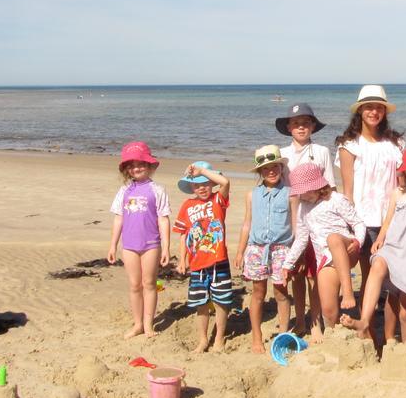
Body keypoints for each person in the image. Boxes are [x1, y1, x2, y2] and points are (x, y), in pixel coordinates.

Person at [342, 147, 406, 344]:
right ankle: (365, 321)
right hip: (396, 247)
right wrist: (381, 238)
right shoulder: (398, 194)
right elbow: (388, 221)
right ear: (404, 173)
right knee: (378, 264)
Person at [336, 85, 404, 292]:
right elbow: (348, 189)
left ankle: (381, 306)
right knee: (368, 271)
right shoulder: (349, 144)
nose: (374, 112)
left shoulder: (396, 143)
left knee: (391, 269)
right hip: (363, 218)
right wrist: (351, 222)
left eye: (379, 108)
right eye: (369, 107)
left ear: (384, 112)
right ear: (360, 110)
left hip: (391, 217)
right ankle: (368, 315)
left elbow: (402, 184)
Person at [282, 163, 365, 329]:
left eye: (303, 191)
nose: (301, 196)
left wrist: (358, 242)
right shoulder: (302, 208)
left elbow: (358, 223)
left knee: (333, 239)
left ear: (317, 186)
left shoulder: (336, 199)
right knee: (328, 308)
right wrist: (287, 264)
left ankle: (348, 293)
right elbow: (301, 239)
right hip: (326, 260)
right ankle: (334, 332)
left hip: (346, 247)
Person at [277, 102, 334, 341]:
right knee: (296, 272)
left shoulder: (321, 151)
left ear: (312, 126)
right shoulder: (282, 154)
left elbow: (330, 186)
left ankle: (315, 321)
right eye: (296, 123)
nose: (301, 128)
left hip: (317, 218)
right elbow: (277, 186)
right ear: (289, 127)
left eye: (306, 123)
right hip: (291, 218)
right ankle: (299, 320)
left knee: (314, 272)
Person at [108, 140, 171, 339]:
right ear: (127, 169)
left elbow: (163, 219)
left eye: (141, 163)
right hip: (129, 246)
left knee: (149, 283)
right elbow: (119, 218)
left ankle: (148, 324)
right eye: (132, 165)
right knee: (135, 285)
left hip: (151, 245)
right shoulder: (124, 191)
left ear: (150, 165)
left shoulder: (157, 190)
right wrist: (112, 245)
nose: (137, 168)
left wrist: (167, 247)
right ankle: (137, 324)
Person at [235, 146, 293, 354]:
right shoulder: (252, 195)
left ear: (281, 168)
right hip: (256, 249)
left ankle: (284, 334)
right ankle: (257, 337)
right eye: (266, 168)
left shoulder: (290, 194)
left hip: (281, 249)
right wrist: (241, 251)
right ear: (259, 172)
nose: (271, 171)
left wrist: (297, 254)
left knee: (281, 292)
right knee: (258, 292)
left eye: (275, 166)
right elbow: (246, 223)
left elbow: (295, 225)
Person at [173, 161, 232, 353]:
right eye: (197, 184)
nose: (202, 188)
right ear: (191, 187)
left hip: (218, 260)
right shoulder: (187, 205)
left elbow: (225, 182)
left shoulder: (218, 200)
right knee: (200, 303)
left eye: (206, 183)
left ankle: (220, 338)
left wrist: (203, 172)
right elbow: (183, 235)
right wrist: (182, 260)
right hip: (197, 263)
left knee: (221, 301)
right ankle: (203, 339)